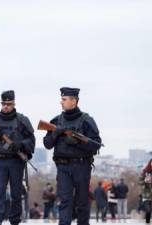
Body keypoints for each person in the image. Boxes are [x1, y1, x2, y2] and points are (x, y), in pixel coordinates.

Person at [43, 87, 102, 225]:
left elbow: (96, 145)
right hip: (63, 167)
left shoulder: (87, 120)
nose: (61, 102)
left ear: (74, 101)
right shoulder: (56, 121)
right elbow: (47, 144)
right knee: (65, 202)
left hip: (81, 166)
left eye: (64, 99)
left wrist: (76, 143)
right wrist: (54, 134)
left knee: (82, 203)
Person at [0, 90, 35, 225]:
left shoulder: (22, 120)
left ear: (14, 103)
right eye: (4, 103)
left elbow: (31, 141)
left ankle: (15, 220)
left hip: (16, 162)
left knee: (16, 194)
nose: (6, 106)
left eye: (9, 104)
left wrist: (20, 144)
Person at [140, 159, 152, 223]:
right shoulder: (145, 172)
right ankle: (147, 221)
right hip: (147, 193)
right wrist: (145, 181)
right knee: (148, 209)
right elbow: (140, 182)